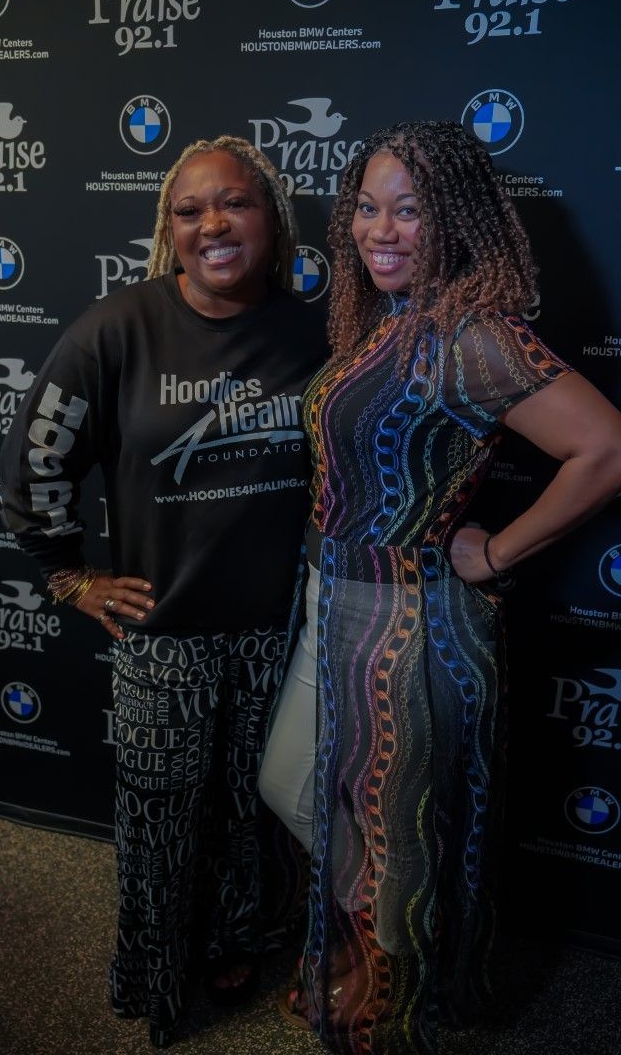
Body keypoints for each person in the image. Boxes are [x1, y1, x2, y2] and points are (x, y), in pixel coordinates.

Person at [258, 119, 621, 1053]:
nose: (382, 230)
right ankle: (368, 952)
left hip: (409, 621)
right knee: (295, 784)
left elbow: (605, 447)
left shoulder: (472, 335)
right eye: (368, 208)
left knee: (395, 831)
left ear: (454, 220)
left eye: (409, 211)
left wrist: (495, 552)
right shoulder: (384, 320)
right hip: (332, 602)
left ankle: (386, 1000)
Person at [0, 135, 327, 1048]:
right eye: (189, 211)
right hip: (165, 637)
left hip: (281, 632)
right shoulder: (118, 330)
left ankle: (237, 937)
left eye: (235, 204)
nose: (212, 224)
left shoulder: (317, 330)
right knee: (158, 816)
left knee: (256, 808)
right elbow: (34, 464)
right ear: (168, 229)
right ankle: (152, 967)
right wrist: (70, 577)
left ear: (273, 217)